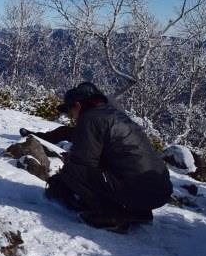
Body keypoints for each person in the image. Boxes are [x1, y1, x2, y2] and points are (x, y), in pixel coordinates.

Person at [44, 82, 172, 231]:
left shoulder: (89, 118)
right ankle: (137, 211)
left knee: (72, 171)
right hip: (160, 190)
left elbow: (83, 163)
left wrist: (70, 161)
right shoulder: (117, 116)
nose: (71, 117)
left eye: (70, 112)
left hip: (137, 189)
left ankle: (111, 215)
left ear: (78, 106)